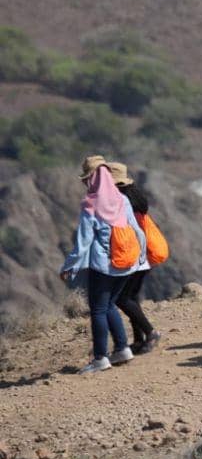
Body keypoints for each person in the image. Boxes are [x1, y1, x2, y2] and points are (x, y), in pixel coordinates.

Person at [60, 156, 147, 374]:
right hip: (127, 264)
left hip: (104, 266)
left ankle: (100, 358)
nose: (85, 183)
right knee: (109, 305)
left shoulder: (90, 204)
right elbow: (136, 230)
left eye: (86, 179)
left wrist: (69, 266)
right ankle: (122, 349)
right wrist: (140, 257)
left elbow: (83, 241)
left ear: (92, 179)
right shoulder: (122, 199)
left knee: (98, 309)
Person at [107, 162, 162, 354]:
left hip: (133, 256)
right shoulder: (135, 197)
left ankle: (151, 332)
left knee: (121, 298)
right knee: (131, 297)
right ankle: (139, 339)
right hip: (143, 256)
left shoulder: (122, 201)